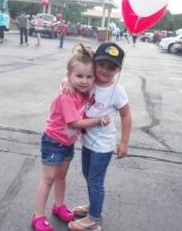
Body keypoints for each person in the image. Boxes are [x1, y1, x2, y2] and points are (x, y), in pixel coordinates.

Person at [32, 43, 111, 231]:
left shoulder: (82, 93)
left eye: (89, 77)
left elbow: (76, 81)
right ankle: (38, 215)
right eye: (79, 76)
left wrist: (67, 80)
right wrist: (97, 121)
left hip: (67, 143)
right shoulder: (67, 95)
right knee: (49, 178)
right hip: (53, 141)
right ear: (70, 76)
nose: (84, 81)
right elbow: (73, 123)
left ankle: (59, 206)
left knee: (61, 176)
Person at [65, 42, 132, 231]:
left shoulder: (117, 90)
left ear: (118, 70)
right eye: (101, 64)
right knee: (88, 175)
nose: (104, 70)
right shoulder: (91, 81)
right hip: (88, 141)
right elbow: (75, 80)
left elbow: (126, 115)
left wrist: (124, 142)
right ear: (94, 63)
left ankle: (94, 218)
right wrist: (67, 81)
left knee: (95, 180)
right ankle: (94, 206)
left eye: (111, 67)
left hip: (103, 146)